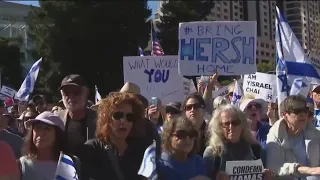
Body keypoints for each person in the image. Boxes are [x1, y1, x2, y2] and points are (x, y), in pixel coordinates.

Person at [79, 92, 150, 180]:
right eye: (118, 115)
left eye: (129, 117)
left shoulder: (141, 149)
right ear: (106, 119)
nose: (123, 121)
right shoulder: (91, 149)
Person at [203, 104, 273, 180]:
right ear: (219, 127)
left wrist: (267, 176)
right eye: (226, 124)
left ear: (242, 125)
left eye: (235, 123)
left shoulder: (256, 150)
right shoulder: (212, 153)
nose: (231, 127)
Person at [266, 95, 320, 179]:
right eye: (297, 111)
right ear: (284, 115)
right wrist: (309, 170)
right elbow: (274, 168)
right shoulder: (275, 136)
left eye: (305, 110)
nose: (303, 114)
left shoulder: (315, 134)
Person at [55, 74, 97, 156]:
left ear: (86, 93)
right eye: (66, 93)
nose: (71, 97)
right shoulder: (55, 120)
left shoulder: (100, 120)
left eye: (76, 92)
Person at [18, 111, 68, 180]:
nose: (41, 133)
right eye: (38, 128)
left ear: (57, 135)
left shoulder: (70, 163)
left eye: (47, 129)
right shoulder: (20, 165)